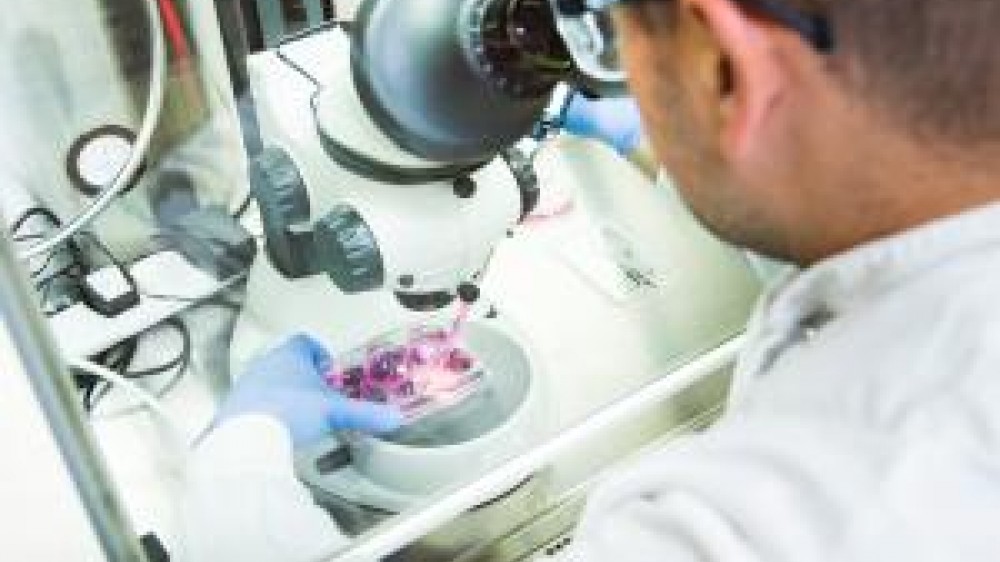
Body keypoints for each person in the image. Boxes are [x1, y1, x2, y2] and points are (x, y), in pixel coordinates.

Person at [185, 0, 1000, 560]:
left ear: (729, 71)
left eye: (611, 42)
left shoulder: (735, 530)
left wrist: (235, 473)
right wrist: (658, 143)